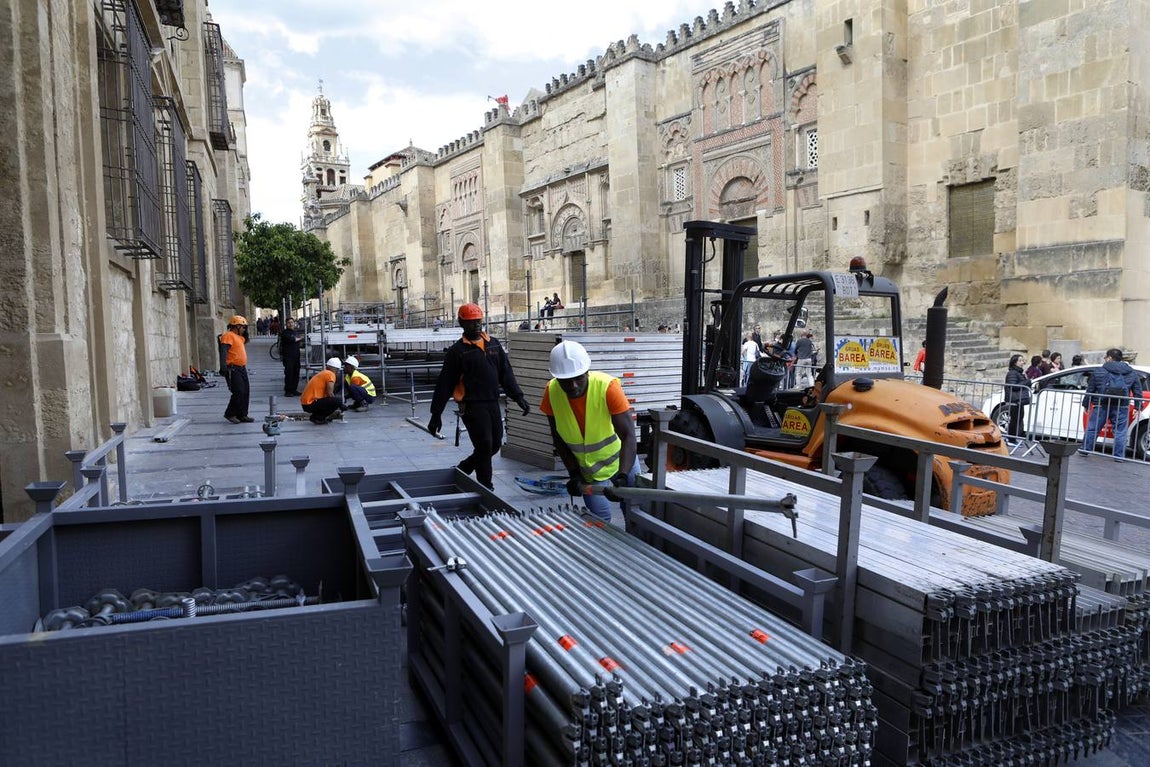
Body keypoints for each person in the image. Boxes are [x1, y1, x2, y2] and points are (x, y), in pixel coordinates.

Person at [427, 303, 530, 490]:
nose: (476, 325)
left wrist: (518, 397)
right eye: (471, 322)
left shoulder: (494, 344)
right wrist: (436, 414)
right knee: (484, 445)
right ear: (461, 323)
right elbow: (445, 384)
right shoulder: (457, 351)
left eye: (478, 321)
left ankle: (464, 468)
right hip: (472, 406)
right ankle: (485, 486)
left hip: (491, 402)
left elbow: (506, 373)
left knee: (495, 445)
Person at [541, 340, 638, 523]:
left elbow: (629, 436)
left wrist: (623, 476)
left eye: (578, 378)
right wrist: (574, 474)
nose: (573, 386)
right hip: (589, 473)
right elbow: (559, 440)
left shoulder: (607, 387)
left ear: (587, 372)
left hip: (622, 462)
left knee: (634, 514)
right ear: (557, 378)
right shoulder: (551, 392)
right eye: (566, 381)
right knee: (599, 523)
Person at [1081, 348, 1144, 460]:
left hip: (1101, 403)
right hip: (1122, 404)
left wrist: (1086, 404)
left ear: (1110, 357)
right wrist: (1138, 407)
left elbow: (1090, 389)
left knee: (1093, 428)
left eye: (1106, 357)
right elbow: (1137, 390)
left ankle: (1085, 449)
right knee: (1120, 431)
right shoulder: (1130, 372)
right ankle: (1119, 456)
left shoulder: (1100, 370)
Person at [218, 315, 253, 424]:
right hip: (232, 369)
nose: (244, 329)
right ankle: (230, 413)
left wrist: (245, 332)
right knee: (238, 391)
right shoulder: (228, 335)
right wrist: (223, 366)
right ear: (237, 326)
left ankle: (242, 414)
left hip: (242, 368)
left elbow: (246, 339)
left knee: (246, 391)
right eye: (243, 327)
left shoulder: (239, 337)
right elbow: (223, 351)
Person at [301, 358, 346, 424]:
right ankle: (319, 417)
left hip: (307, 403)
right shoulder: (330, 374)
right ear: (336, 369)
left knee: (333, 401)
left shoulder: (324, 373)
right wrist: (340, 404)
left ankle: (316, 416)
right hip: (310, 403)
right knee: (337, 401)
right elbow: (330, 393)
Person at [1003, 353, 1030, 438]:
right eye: (1020, 360)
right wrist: (1027, 382)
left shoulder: (1019, 373)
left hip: (1019, 400)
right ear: (1015, 362)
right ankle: (1011, 439)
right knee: (1014, 420)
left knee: (1019, 419)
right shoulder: (1012, 373)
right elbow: (1013, 386)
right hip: (1014, 400)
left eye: (1023, 360)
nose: (1022, 362)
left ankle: (1015, 437)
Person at [280, 317, 304, 396]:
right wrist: (300, 338)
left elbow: (299, 341)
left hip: (296, 356)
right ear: (286, 324)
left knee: (296, 373)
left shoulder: (295, 332)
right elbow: (292, 339)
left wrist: (299, 338)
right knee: (289, 374)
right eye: (289, 323)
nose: (291, 324)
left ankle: (294, 389)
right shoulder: (285, 333)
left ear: (294, 323)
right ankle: (288, 391)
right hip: (288, 357)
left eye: (292, 322)